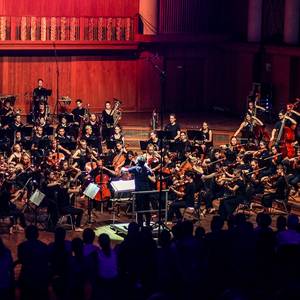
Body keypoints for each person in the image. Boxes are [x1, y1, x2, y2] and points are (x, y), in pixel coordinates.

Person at [121, 156, 156, 227]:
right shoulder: (146, 168)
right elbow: (151, 174)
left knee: (139, 208)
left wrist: (122, 167)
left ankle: (140, 225)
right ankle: (148, 224)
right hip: (146, 190)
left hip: (139, 191)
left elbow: (125, 170)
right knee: (147, 207)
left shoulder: (135, 168)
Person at [17, 225, 49, 300]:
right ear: (37, 235)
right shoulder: (44, 246)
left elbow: (21, 260)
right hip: (41, 278)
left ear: (26, 235)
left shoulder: (21, 246)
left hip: (27, 277)